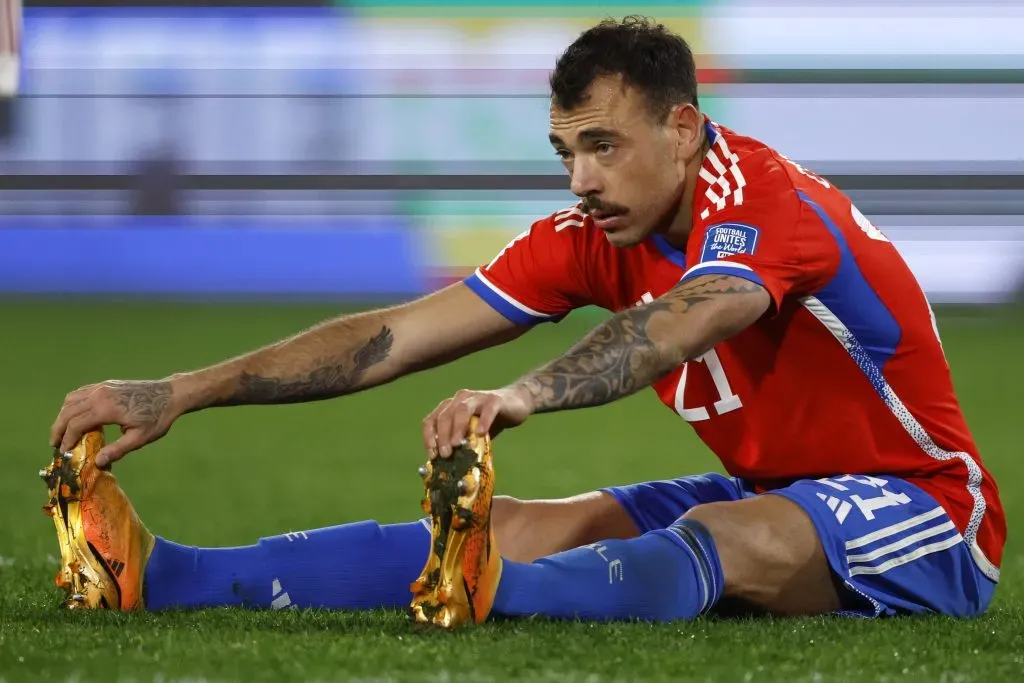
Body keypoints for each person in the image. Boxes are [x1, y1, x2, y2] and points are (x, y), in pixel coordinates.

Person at [45, 16, 1004, 627]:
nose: (581, 178)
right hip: (779, 483)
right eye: (564, 151)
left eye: (602, 146)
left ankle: (495, 599)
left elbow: (682, 322)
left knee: (729, 529)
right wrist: (183, 390)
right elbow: (397, 335)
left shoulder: (764, 201)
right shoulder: (590, 232)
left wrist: (523, 392)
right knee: (512, 523)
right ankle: (162, 574)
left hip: (925, 512)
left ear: (681, 127)